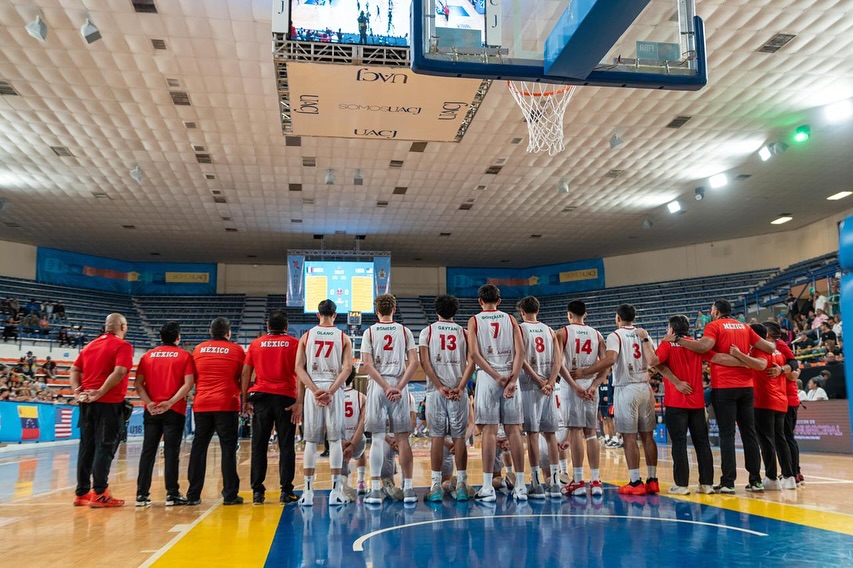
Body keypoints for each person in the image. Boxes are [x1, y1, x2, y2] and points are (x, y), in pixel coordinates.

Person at [673, 299, 775, 493]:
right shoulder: (745, 327)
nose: (711, 312)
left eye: (711, 309)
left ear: (717, 311)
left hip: (724, 387)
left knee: (727, 435)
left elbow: (704, 347)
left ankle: (728, 482)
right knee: (749, 434)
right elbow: (770, 348)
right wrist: (745, 361)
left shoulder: (714, 326)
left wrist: (679, 340)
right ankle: (755, 480)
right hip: (747, 387)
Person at [574, 304, 658, 496]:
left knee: (629, 438)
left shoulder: (615, 335)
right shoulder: (643, 334)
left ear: (617, 318)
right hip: (645, 387)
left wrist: (585, 371)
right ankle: (652, 480)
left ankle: (635, 482)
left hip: (626, 387)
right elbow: (653, 360)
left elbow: (611, 359)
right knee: (647, 436)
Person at [641, 316, 714, 494]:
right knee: (702, 443)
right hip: (697, 402)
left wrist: (644, 340)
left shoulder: (667, 344)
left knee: (679, 444)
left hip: (676, 403)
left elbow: (653, 362)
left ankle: (682, 485)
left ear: (672, 329)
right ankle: (707, 484)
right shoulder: (696, 344)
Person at [467, 284, 527, 502]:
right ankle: (520, 485)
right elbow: (521, 351)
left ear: (480, 301)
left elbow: (473, 353)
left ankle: (487, 487)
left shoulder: (474, 320)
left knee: (490, 432)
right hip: (510, 375)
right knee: (514, 432)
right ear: (499, 301)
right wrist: (512, 379)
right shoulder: (511, 320)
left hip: (487, 377)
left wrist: (494, 376)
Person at [361, 294, 419, 505]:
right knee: (403, 440)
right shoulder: (405, 331)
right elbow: (413, 362)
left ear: (377, 310)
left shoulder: (369, 332)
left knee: (377, 438)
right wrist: (398, 387)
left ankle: (375, 490)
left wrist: (385, 387)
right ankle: (410, 489)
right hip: (399, 384)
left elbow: (367, 364)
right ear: (394, 309)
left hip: (378, 386)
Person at [70, 313, 133, 508]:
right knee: (105, 447)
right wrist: (101, 391)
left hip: (87, 402)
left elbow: (74, 369)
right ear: (122, 326)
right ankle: (100, 493)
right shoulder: (123, 346)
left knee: (86, 446)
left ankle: (82, 493)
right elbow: (120, 370)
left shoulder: (90, 345)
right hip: (108, 402)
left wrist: (76, 389)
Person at [296, 299, 354, 507]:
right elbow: (347, 368)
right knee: (335, 440)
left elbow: (298, 368)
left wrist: (314, 390)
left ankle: (308, 492)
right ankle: (335, 492)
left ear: (317, 315)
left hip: (313, 391)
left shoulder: (306, 336)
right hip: (334, 389)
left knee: (311, 441)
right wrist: (330, 391)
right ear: (335, 315)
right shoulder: (343, 337)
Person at [242, 310, 301, 505]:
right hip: (285, 399)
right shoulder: (294, 343)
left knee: (258, 446)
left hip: (261, 398)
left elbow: (245, 373)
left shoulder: (256, 344)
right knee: (286, 447)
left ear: (267, 326)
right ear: (286, 327)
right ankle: (286, 491)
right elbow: (301, 373)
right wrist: (299, 401)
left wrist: (245, 399)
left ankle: (257, 492)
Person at [419, 294, 475, 502]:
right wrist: (461, 387)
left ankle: (435, 486)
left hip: (436, 392)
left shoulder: (428, 331)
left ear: (436, 310)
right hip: (458, 391)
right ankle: (461, 484)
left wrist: (440, 386)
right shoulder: (464, 332)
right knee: (460, 438)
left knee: (437, 437)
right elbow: (472, 362)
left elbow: (425, 362)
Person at [134, 322, 195, 507]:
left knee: (148, 451)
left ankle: (141, 495)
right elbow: (188, 384)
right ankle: (172, 494)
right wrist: (171, 402)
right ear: (178, 337)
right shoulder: (184, 356)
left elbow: (138, 384)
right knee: (171, 452)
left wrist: (149, 402)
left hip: (151, 410)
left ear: (160, 338)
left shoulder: (147, 356)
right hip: (174, 410)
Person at [728, 324, 796, 491]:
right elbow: (793, 366)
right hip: (780, 399)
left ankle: (772, 477)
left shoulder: (758, 351)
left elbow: (758, 365)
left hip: (764, 400)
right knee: (780, 439)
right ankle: (789, 476)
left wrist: (739, 354)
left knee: (766, 441)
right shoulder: (778, 352)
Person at [187, 317, 246, 506]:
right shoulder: (237, 350)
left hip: (202, 404)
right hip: (226, 404)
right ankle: (229, 494)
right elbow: (243, 377)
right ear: (228, 333)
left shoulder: (198, 350)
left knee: (198, 448)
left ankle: (193, 494)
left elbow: (191, 377)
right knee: (228, 449)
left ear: (210, 331)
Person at [556, 299, 606, 498]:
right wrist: (594, 385)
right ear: (585, 314)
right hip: (591, 386)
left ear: (569, 314)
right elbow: (605, 367)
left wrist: (575, 386)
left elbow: (559, 364)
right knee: (591, 433)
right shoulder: (597, 334)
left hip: (572, 385)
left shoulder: (562, 333)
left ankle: (577, 481)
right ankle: (596, 481)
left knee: (575, 432)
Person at [764, 320, 803, 487]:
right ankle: (792, 473)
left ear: (769, 334)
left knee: (786, 437)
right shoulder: (771, 346)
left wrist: (782, 370)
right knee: (784, 437)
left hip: (787, 398)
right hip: (782, 398)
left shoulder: (779, 345)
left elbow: (794, 365)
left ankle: (794, 473)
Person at [340, 370, 367, 497]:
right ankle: (361, 481)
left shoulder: (333, 396)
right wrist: (353, 444)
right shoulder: (361, 397)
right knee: (361, 454)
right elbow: (363, 423)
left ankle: (343, 483)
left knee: (340, 457)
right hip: (357, 440)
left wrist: (342, 441)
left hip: (341, 440)